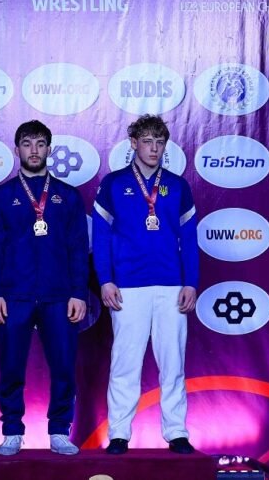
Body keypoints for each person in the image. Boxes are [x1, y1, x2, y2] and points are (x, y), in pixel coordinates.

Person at [0, 120, 88, 456]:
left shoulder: (68, 196)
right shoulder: (2, 197)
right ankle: (12, 430)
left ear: (49, 149)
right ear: (17, 150)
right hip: (15, 295)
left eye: (40, 144)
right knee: (11, 367)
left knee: (64, 367)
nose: (34, 150)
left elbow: (78, 248)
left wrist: (79, 292)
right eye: (27, 144)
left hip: (59, 296)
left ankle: (59, 431)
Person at [92, 114, 198, 455]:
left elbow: (189, 238)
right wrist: (105, 279)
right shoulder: (113, 184)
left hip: (171, 285)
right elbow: (101, 236)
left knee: (173, 363)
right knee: (125, 363)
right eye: (148, 141)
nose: (154, 148)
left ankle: (177, 432)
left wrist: (191, 283)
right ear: (134, 143)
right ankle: (119, 434)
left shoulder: (178, 186)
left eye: (160, 142)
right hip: (127, 286)